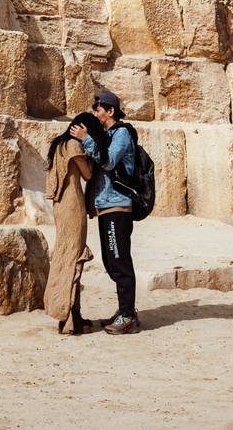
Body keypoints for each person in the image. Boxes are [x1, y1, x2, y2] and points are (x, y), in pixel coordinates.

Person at [70, 90, 140, 335]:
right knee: (111, 262)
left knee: (120, 262)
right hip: (105, 207)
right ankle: (125, 311)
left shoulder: (121, 134)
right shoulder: (108, 134)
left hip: (118, 206)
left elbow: (108, 162)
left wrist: (86, 138)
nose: (96, 114)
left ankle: (128, 317)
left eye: (99, 110)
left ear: (110, 111)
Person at [43, 111, 107, 335]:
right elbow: (88, 174)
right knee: (73, 257)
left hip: (62, 206)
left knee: (67, 255)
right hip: (72, 206)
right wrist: (90, 145)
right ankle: (70, 318)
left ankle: (71, 315)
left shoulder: (59, 144)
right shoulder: (73, 145)